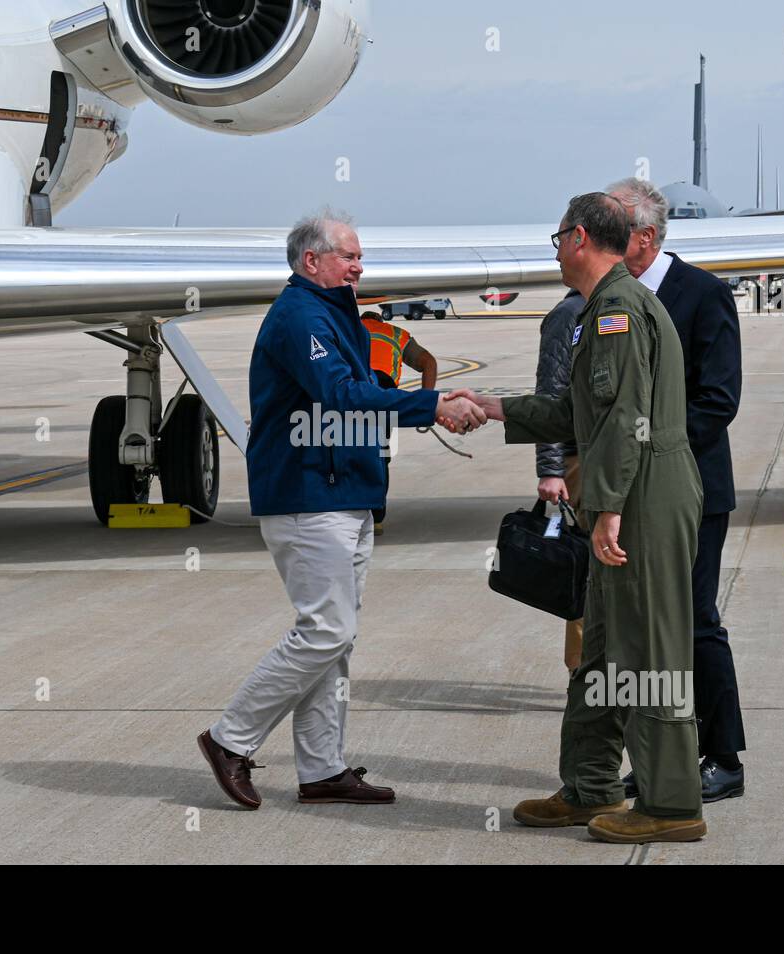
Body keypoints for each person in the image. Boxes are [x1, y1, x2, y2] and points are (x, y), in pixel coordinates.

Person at [198, 209, 485, 810]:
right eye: (349, 256)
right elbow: (342, 395)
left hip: (346, 493)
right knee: (325, 629)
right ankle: (231, 738)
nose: (360, 266)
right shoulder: (300, 316)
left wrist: (426, 400)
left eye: (360, 257)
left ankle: (323, 770)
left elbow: (366, 392)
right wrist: (432, 406)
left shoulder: (338, 315)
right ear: (311, 261)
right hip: (308, 496)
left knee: (336, 640)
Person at [450, 192, 706, 843]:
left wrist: (610, 509)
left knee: (648, 655)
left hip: (644, 498)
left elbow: (624, 421)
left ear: (581, 237)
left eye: (558, 236)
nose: (556, 248)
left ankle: (672, 807)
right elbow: (575, 414)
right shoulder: (601, 310)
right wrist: (493, 406)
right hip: (628, 493)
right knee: (600, 655)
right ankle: (591, 786)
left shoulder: (619, 312)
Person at [606, 177, 745, 803]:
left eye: (612, 229)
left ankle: (723, 757)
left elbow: (719, 400)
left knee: (694, 623)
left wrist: (647, 448)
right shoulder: (614, 297)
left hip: (691, 490)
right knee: (650, 629)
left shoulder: (703, 294)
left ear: (646, 237)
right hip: (633, 493)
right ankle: (670, 755)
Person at [534, 290, 586, 671]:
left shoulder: (618, 302)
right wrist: (551, 469)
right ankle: (583, 673)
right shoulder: (569, 314)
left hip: (612, 459)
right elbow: (550, 395)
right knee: (587, 567)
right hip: (578, 458)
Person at [359, 310, 438, 529]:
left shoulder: (347, 328)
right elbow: (428, 362)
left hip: (354, 391)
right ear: (381, 320)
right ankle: (376, 518)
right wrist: (425, 401)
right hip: (383, 395)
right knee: (381, 454)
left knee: (346, 448)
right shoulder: (395, 333)